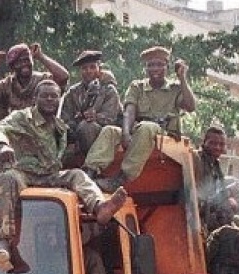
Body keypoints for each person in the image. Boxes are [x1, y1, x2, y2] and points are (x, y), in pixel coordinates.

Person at [0, 79, 128, 274]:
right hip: (23, 173)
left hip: (49, 175)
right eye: (45, 95)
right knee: (6, 179)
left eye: (54, 96)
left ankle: (100, 207)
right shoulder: (23, 117)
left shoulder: (60, 126)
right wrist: (2, 145)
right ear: (35, 98)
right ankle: (4, 243)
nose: (50, 99)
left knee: (77, 175)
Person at [83, 46, 197, 191]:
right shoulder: (137, 86)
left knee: (147, 127)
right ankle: (89, 172)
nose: (155, 68)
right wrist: (125, 133)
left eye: (159, 64)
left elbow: (191, 106)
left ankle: (121, 178)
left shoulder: (175, 88)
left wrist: (182, 78)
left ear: (166, 67)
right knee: (110, 131)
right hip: (139, 130)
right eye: (151, 65)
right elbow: (129, 111)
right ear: (146, 68)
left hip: (164, 134)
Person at [60, 50, 121, 164]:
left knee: (87, 126)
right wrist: (75, 123)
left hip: (105, 135)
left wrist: (96, 117)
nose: (88, 71)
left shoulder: (108, 90)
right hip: (76, 134)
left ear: (99, 69)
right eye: (84, 68)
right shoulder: (73, 92)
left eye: (92, 67)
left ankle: (92, 166)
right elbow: (65, 117)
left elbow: (112, 117)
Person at [0, 43, 70, 114]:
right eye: (18, 62)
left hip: (41, 128)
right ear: (12, 67)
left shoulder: (43, 79)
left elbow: (64, 76)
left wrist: (41, 57)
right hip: (16, 129)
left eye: (26, 60)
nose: (24, 64)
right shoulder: (7, 84)